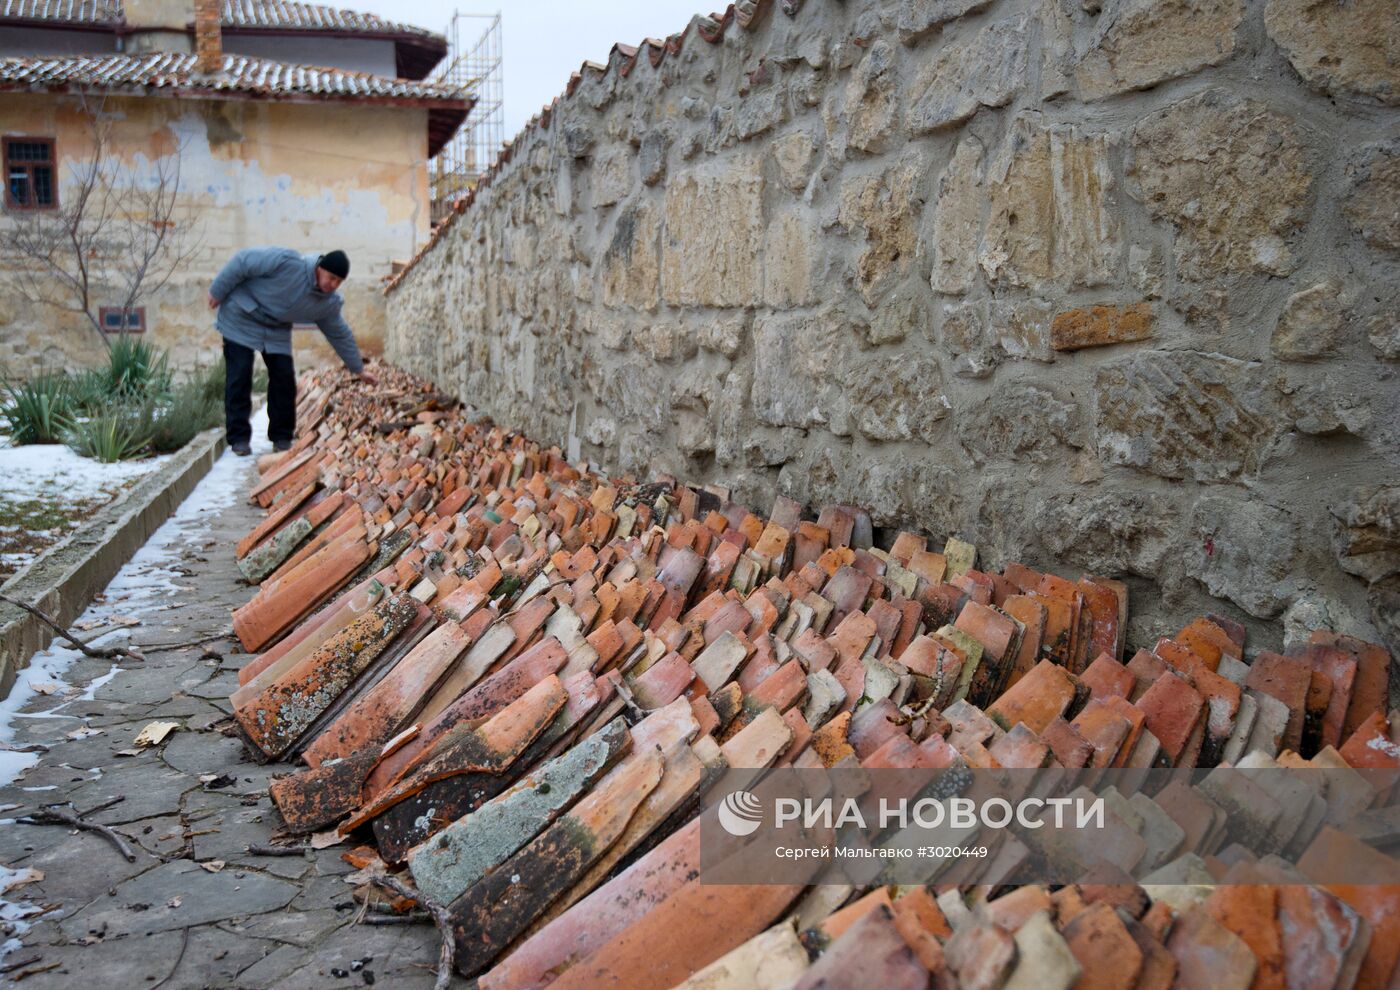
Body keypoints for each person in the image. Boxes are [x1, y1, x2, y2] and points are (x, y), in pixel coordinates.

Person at [208, 247, 378, 456]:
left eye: (338, 282)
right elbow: (243, 261)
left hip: (275, 328)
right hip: (242, 315)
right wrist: (218, 290)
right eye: (331, 277)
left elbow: (340, 334)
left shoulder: (327, 304)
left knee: (284, 379)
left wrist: (358, 369)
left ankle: (281, 437)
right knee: (240, 373)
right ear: (320, 268)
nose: (333, 285)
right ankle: (239, 438)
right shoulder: (287, 262)